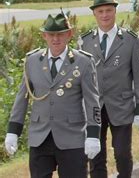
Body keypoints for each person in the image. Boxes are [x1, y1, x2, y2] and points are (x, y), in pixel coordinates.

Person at [4, 11, 101, 177]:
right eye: (51, 35)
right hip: (40, 135)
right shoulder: (32, 60)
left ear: (69, 34)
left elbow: (92, 101)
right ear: (44, 36)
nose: (56, 39)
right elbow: (22, 98)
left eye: (60, 34)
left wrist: (93, 135)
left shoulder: (83, 62)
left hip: (72, 136)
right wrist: (13, 130)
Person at [80, 0, 139, 178]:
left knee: (122, 154)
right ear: (94, 14)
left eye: (108, 10)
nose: (105, 15)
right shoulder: (85, 42)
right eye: (100, 11)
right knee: (95, 156)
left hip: (122, 106)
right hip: (94, 108)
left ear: (115, 11)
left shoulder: (131, 40)